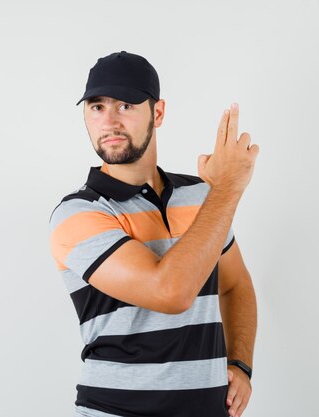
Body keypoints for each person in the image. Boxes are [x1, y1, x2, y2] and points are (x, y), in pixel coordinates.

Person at [48, 50, 259, 417]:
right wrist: (227, 189)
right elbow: (170, 292)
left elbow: (235, 283)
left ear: (157, 113)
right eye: (97, 107)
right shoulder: (78, 214)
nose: (109, 121)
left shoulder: (201, 197)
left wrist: (240, 364)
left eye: (125, 105)